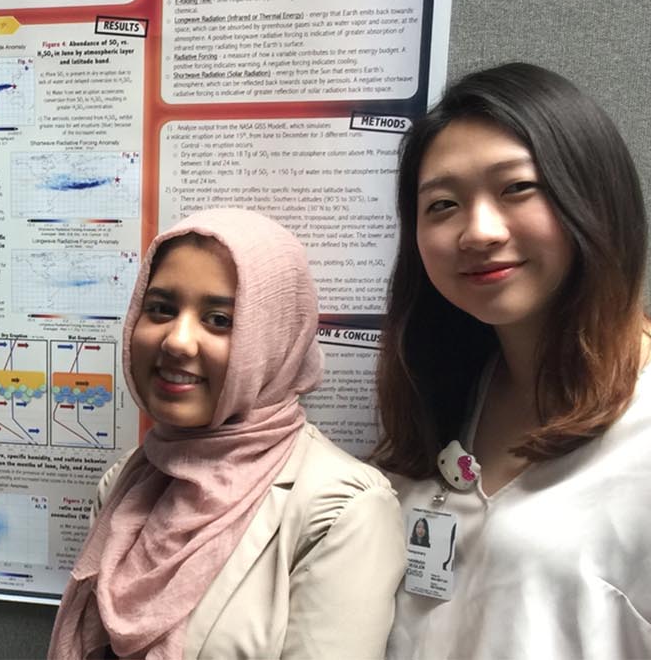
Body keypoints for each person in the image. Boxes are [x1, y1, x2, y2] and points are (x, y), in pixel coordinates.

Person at [374, 62, 651, 658]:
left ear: (594, 196)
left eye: (516, 188)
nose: (477, 232)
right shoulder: (442, 393)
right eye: (443, 205)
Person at [50, 208, 405, 659]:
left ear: (276, 340)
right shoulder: (129, 482)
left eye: (219, 319)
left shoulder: (341, 511)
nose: (177, 341)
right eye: (160, 309)